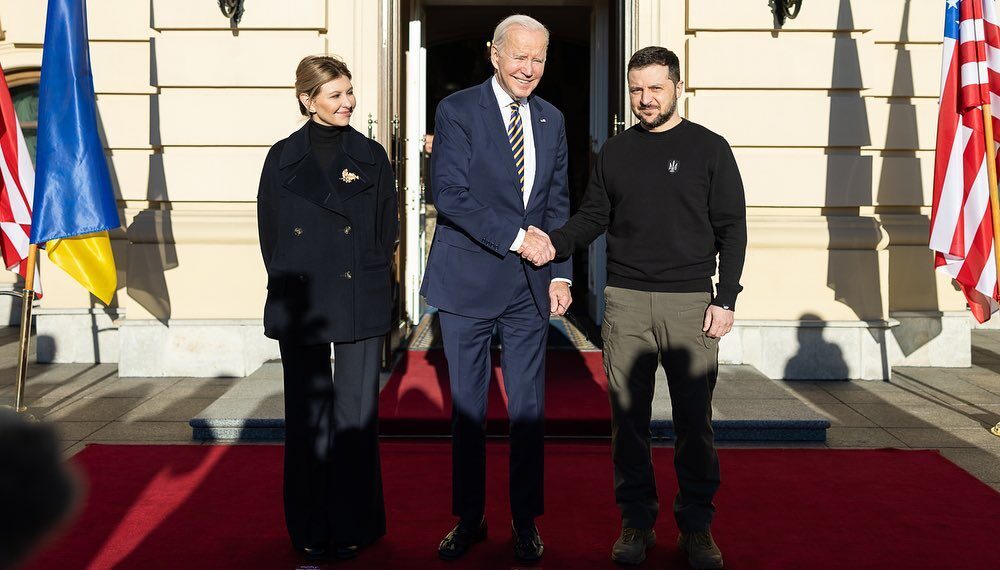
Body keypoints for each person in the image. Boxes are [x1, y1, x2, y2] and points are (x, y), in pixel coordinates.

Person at [523, 46, 746, 569]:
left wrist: (727, 298)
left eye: (655, 89)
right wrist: (554, 244)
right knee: (628, 423)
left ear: (677, 87)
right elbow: (592, 217)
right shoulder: (617, 153)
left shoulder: (710, 149)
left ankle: (697, 528)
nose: (645, 100)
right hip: (625, 302)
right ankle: (636, 523)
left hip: (692, 303)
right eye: (636, 90)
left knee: (696, 422)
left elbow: (732, 229)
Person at [419, 14, 572, 563]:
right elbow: (452, 195)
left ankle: (525, 520)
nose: (528, 68)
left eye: (538, 59)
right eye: (519, 56)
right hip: (468, 283)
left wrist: (560, 271)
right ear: (494, 54)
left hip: (530, 288)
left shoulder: (553, 119)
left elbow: (557, 202)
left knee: (528, 409)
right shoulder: (457, 110)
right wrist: (517, 239)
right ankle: (469, 518)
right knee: (468, 410)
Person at [256, 55, 398, 562]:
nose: (348, 103)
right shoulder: (280, 158)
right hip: (304, 299)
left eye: (350, 92)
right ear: (307, 100)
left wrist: (368, 270)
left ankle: (354, 522)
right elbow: (270, 232)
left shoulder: (372, 156)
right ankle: (311, 528)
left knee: (355, 416)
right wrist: (295, 275)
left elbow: (388, 226)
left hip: (358, 291)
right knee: (308, 417)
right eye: (335, 95)